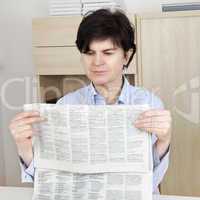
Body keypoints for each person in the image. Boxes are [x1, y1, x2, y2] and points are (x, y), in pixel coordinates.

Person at [9, 8, 171, 193]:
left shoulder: (150, 105)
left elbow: (151, 184)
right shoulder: (66, 106)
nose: (97, 62)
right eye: (89, 53)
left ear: (126, 55)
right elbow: (47, 183)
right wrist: (24, 147)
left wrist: (163, 142)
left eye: (108, 53)